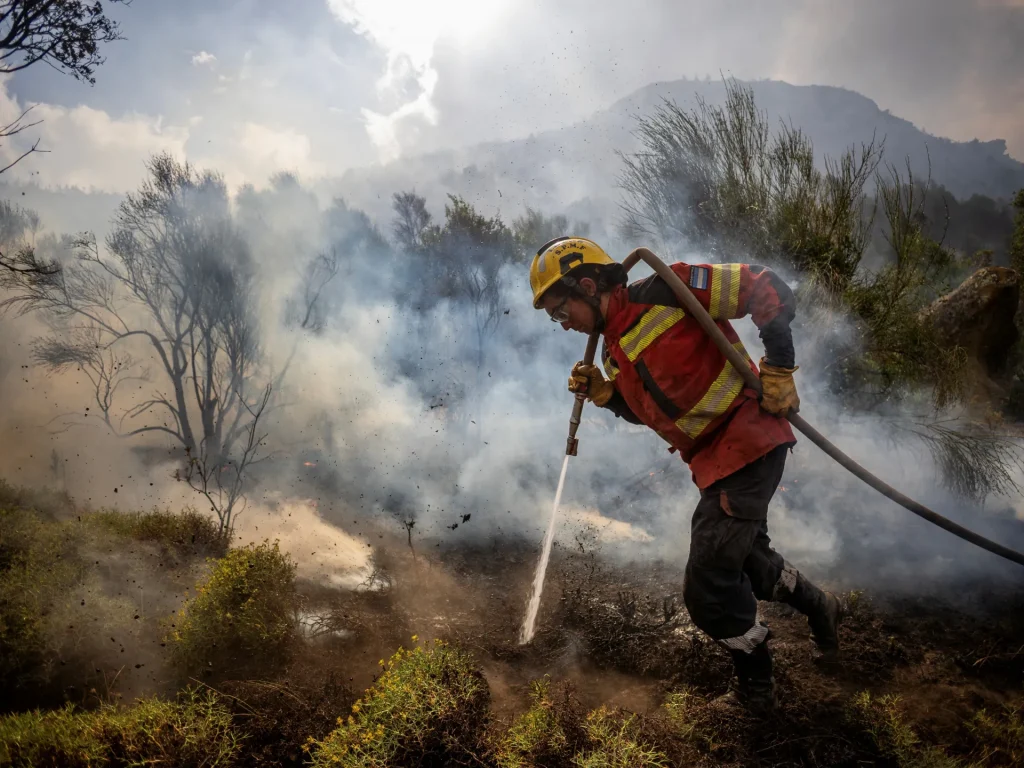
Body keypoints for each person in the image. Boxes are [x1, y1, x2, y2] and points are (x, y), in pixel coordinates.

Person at [529, 236, 843, 713]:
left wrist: (778, 367)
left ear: (589, 285)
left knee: (709, 584)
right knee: (748, 564)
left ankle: (754, 693)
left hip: (748, 442)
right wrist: (607, 395)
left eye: (560, 310)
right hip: (713, 463)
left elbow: (766, 286)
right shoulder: (613, 351)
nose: (563, 324)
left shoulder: (667, 288)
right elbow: (653, 412)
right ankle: (820, 605)